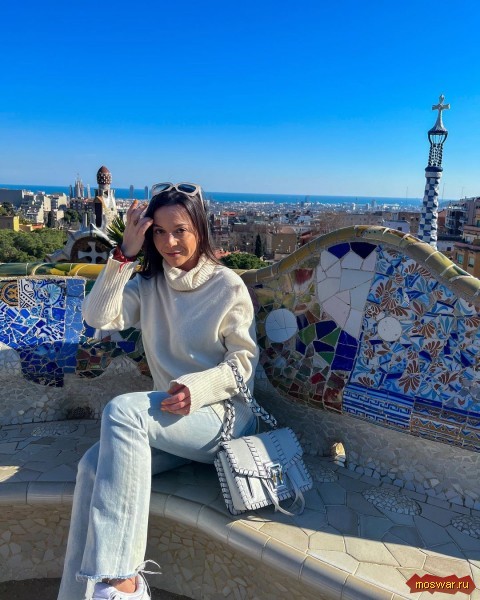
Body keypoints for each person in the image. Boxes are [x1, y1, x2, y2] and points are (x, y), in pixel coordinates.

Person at [57, 183, 259, 600]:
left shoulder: (227, 286)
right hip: (170, 420)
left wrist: (196, 388)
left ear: (200, 228)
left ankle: (123, 581)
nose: (170, 242)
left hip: (222, 418)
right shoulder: (149, 284)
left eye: (180, 230)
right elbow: (98, 316)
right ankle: (80, 594)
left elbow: (243, 364)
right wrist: (124, 255)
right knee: (92, 466)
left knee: (122, 411)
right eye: (160, 232)